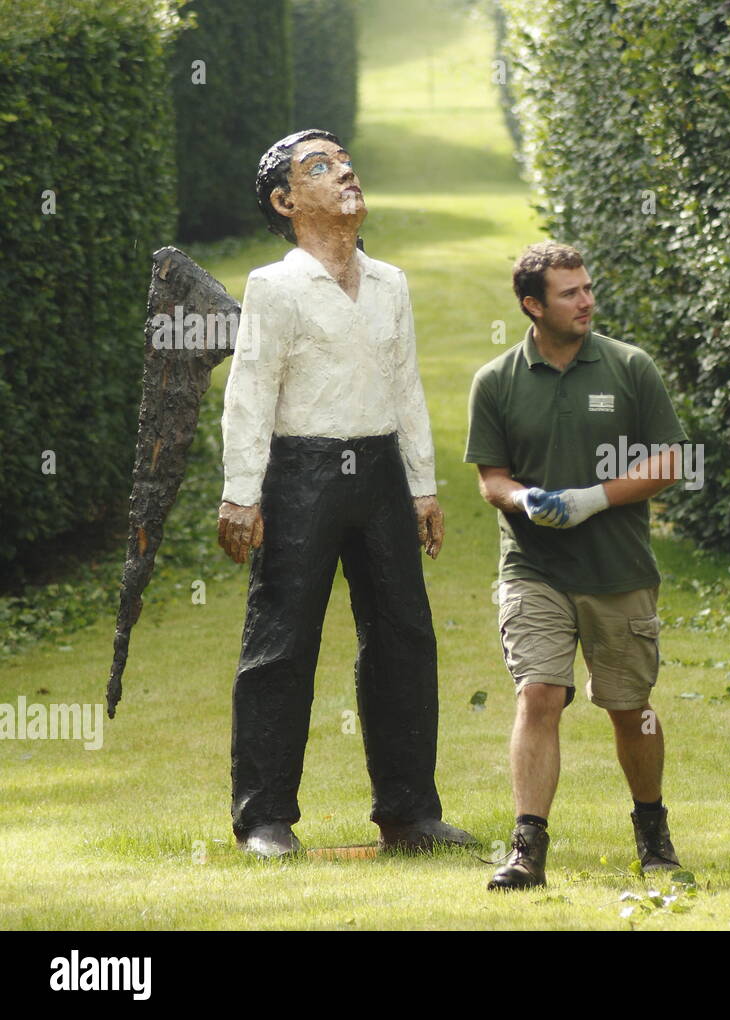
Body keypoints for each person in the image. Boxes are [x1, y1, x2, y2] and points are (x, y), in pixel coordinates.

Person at [216, 129, 475, 857]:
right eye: (320, 168)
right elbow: (250, 392)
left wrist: (422, 485)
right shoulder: (274, 286)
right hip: (300, 475)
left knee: (403, 637)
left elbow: (406, 386)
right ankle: (264, 817)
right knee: (281, 641)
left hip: (382, 469)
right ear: (286, 200)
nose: (346, 173)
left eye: (345, 161)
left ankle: (411, 811)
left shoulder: (390, 281)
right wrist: (242, 494)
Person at [466, 242, 686, 890]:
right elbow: (491, 479)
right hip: (533, 569)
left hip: (619, 569)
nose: (587, 300)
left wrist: (592, 499)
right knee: (539, 694)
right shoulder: (497, 381)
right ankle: (526, 849)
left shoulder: (629, 368)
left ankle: (652, 831)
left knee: (631, 708)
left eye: (587, 288)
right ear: (533, 305)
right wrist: (525, 500)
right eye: (570, 292)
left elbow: (668, 463)